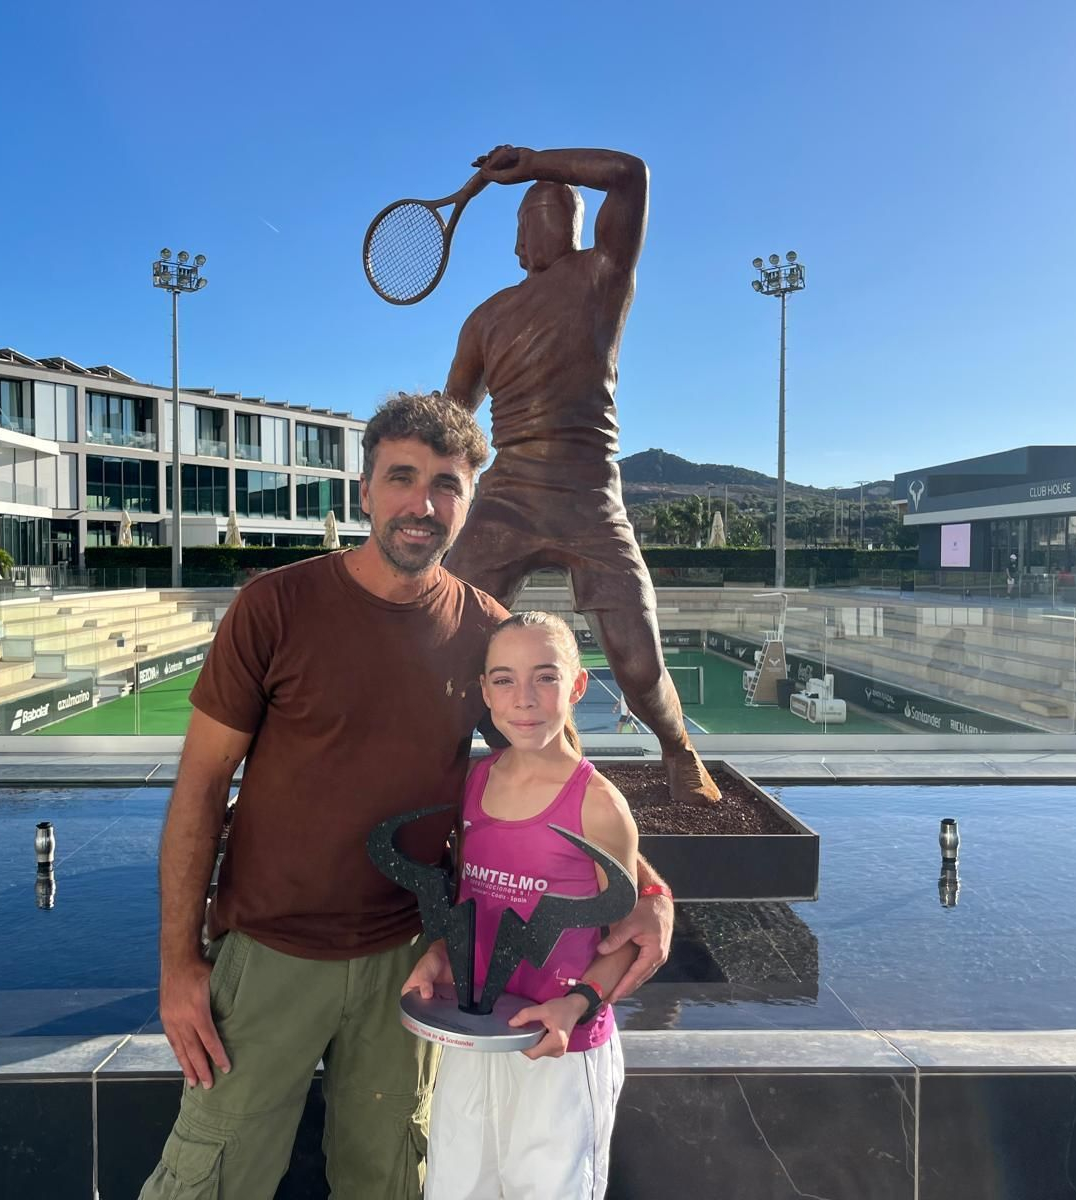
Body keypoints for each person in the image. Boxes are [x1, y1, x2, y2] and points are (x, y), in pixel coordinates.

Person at [139, 393, 676, 1200]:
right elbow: (201, 790)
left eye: (447, 485)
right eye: (402, 477)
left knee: (390, 1180)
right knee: (210, 1177)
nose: (422, 504)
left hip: (411, 967)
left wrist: (656, 890)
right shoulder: (275, 607)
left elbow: (557, 775)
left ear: (468, 502)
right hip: (270, 957)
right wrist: (179, 961)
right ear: (363, 490)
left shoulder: (483, 635)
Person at [442, 144, 720, 809]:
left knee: (636, 660)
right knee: (445, 638)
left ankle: (680, 750)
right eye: (525, 221)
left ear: (562, 223)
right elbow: (451, 417)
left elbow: (630, 175)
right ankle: (484, 763)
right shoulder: (486, 317)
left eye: (542, 213)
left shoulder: (602, 275)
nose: (528, 236)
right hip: (507, 494)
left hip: (590, 490)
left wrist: (539, 162)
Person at [403, 611, 639, 1200]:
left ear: (578, 686)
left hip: (558, 1053)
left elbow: (628, 939)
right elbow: (470, 901)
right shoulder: (475, 784)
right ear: (485, 692)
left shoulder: (599, 806)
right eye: (504, 680)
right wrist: (438, 954)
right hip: (475, 1035)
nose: (524, 699)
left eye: (545, 677)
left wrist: (576, 1005)